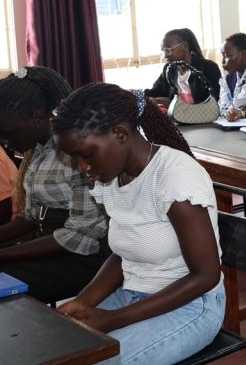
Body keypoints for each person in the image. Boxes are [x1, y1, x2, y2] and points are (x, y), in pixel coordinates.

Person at [53, 84, 224, 365]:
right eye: (74, 158)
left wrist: (113, 319)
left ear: (120, 134)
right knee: (59, 349)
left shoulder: (174, 177)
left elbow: (205, 276)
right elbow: (123, 253)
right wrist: (83, 302)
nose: (82, 167)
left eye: (85, 154)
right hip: (133, 294)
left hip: (193, 304)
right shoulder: (109, 176)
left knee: (100, 361)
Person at [0, 67, 110, 303]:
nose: (5, 143)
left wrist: (4, 255)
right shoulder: (37, 152)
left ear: (37, 118)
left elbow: (79, 236)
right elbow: (29, 218)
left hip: (82, 257)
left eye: (8, 133)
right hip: (48, 243)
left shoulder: (77, 154)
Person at [145, 28, 221, 108]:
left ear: (184, 46)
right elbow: (154, 93)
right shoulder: (169, 70)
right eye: (163, 51)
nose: (165, 56)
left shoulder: (208, 68)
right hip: (175, 120)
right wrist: (133, 95)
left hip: (205, 119)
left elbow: (214, 103)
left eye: (168, 50)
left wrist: (175, 106)